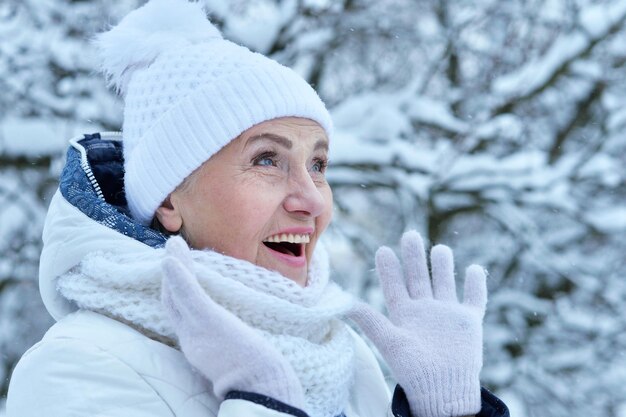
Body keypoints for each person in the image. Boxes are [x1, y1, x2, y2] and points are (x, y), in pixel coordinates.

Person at [6, 1, 509, 416]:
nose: (311, 198)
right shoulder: (77, 366)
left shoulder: (337, 352)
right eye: (267, 159)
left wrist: (450, 411)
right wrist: (263, 403)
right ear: (167, 199)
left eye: (318, 164)